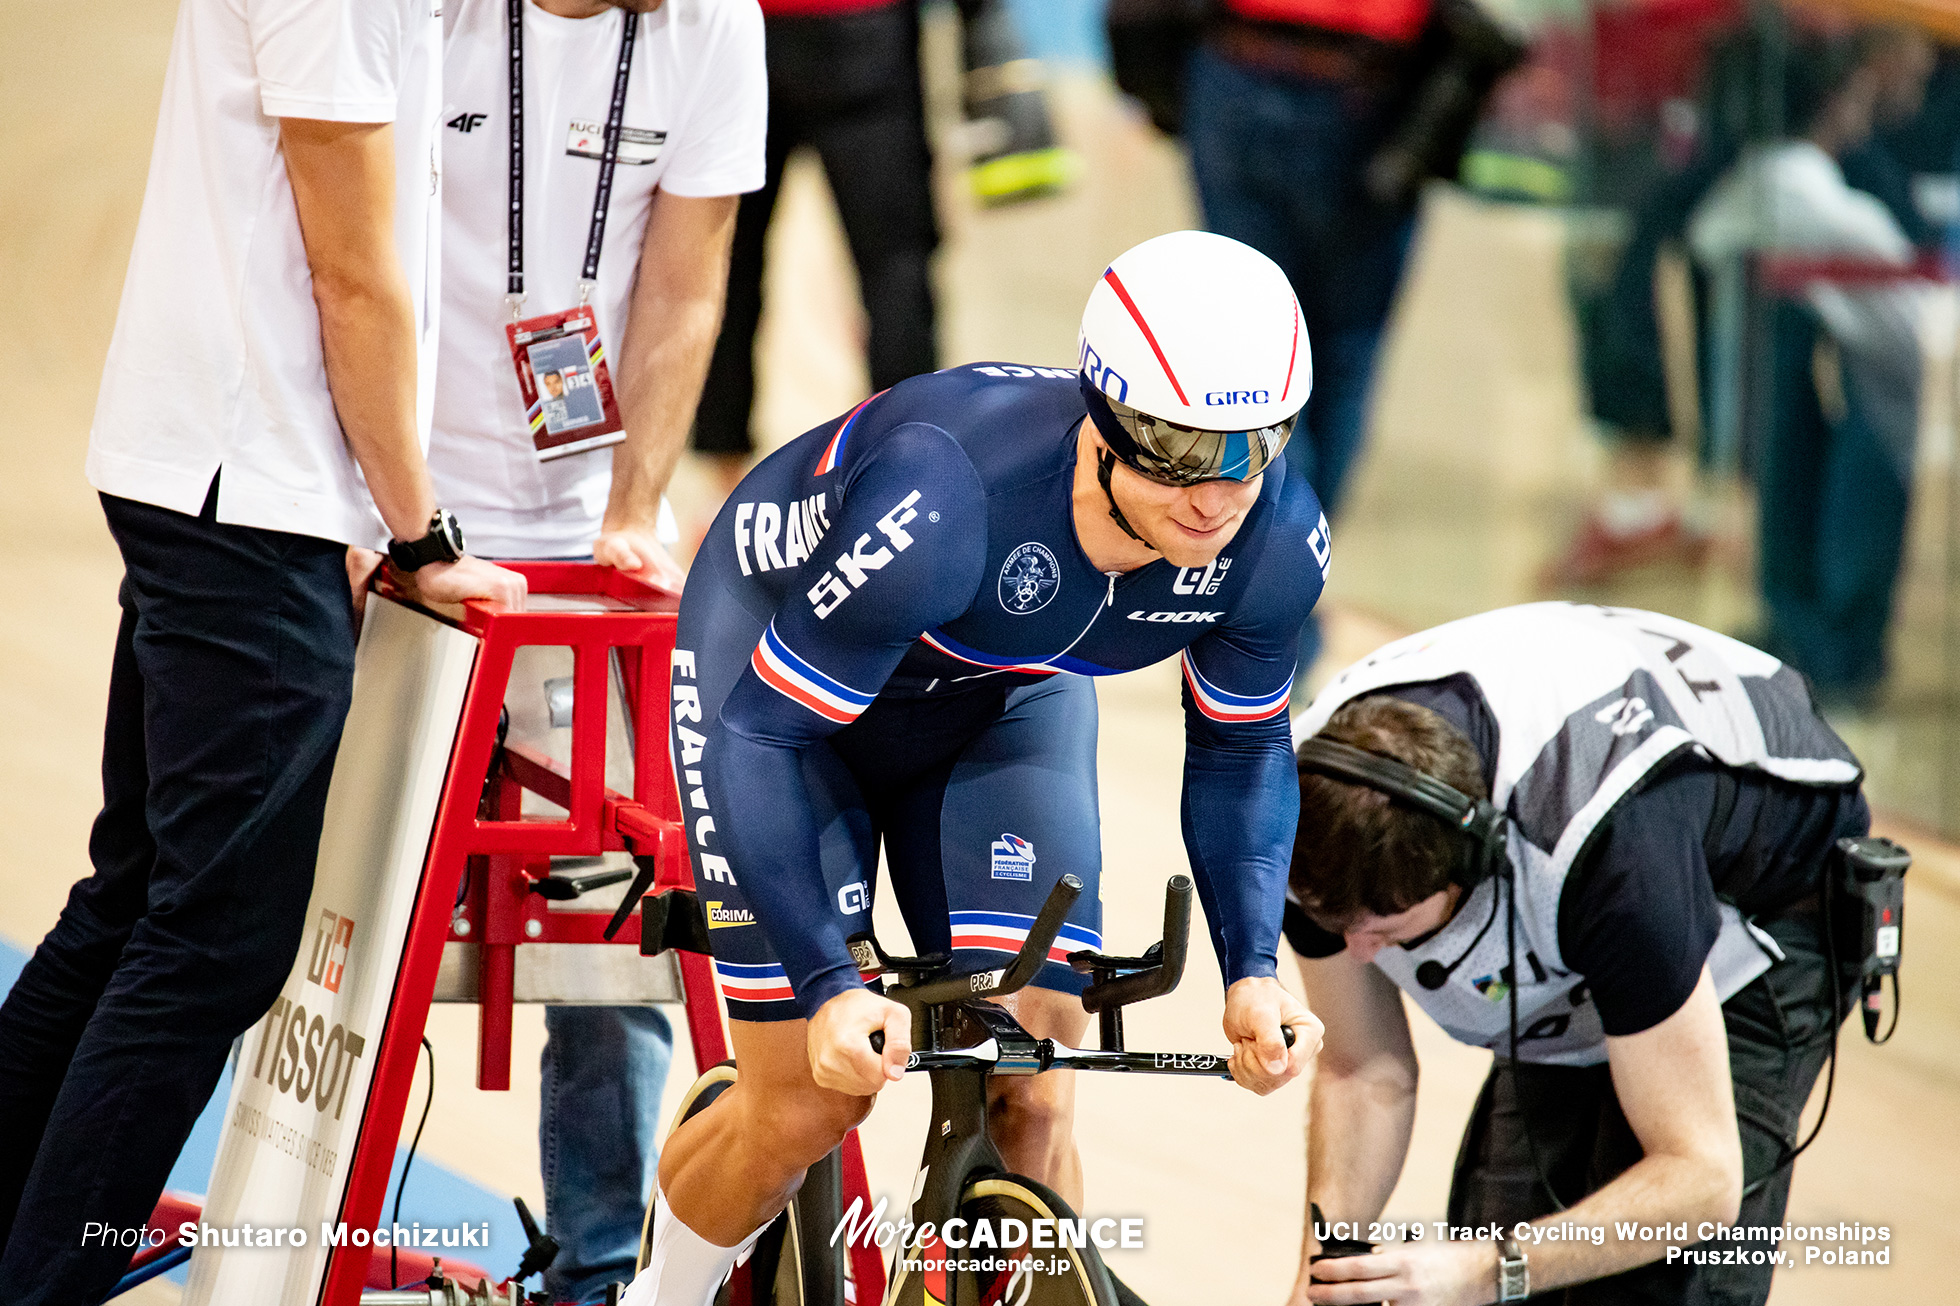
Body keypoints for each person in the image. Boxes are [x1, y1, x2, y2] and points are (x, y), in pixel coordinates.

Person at [628, 230, 1329, 1304]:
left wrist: (1251, 968)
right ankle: (661, 1291)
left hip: (999, 685)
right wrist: (826, 985)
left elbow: (1240, 748)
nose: (1216, 494)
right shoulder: (948, 498)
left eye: (1253, 446)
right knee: (805, 1109)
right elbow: (765, 735)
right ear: (1104, 419)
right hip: (777, 681)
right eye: (1180, 453)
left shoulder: (1271, 535)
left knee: (1033, 1085)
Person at [0, 0, 525, 1298]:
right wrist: (415, 527)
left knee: (138, 893)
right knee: (212, 939)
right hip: (251, 490)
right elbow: (350, 268)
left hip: (226, 474)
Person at [430, 0, 764, 1298]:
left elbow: (690, 278)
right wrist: (372, 504)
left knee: (617, 940)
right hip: (397, 527)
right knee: (329, 925)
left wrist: (633, 505)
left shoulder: (709, 24)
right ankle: (292, 1229)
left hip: (587, 538)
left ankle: (594, 1273)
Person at [1284, 602, 1870, 1305]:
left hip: (1762, 903)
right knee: (1506, 1261)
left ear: (1468, 867)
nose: (1355, 950)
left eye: (1387, 927)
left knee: (1635, 1279)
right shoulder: (1298, 817)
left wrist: (1482, 1270)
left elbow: (1701, 1178)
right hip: (1586, 864)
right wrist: (1318, 1277)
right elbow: (1361, 1069)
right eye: (1333, 920)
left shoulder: (1618, 865)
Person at [1182, 0, 1433, 683]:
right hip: (1346, 80)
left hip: (1280, 72)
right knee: (1326, 359)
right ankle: (1275, 603)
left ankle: (1267, 599)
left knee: (1268, 350)